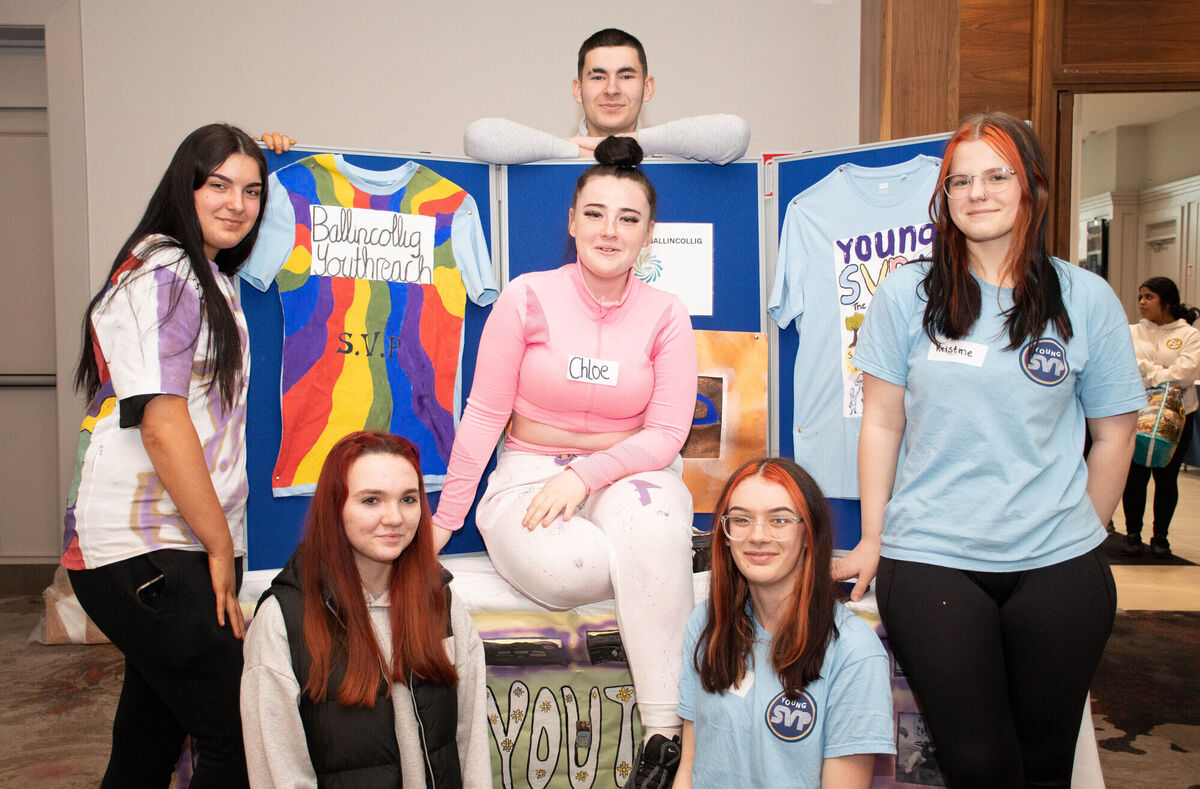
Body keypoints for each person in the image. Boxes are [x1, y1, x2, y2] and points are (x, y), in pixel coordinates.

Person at [835, 111, 1145, 788]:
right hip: (933, 559)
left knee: (1045, 766)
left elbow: (1115, 434)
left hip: (1059, 568)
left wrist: (1078, 534)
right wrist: (874, 538)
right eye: (960, 180)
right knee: (979, 764)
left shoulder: (1085, 299)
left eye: (997, 175)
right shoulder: (907, 294)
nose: (977, 193)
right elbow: (881, 423)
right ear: (944, 196)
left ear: (1032, 186)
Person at [433, 135, 698, 786]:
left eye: (629, 218)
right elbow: (484, 415)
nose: (610, 230)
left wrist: (584, 475)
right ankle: (666, 557)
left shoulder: (667, 314)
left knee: (651, 522)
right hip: (529, 473)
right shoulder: (526, 296)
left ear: (649, 234)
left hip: (630, 473)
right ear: (572, 221)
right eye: (596, 213)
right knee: (576, 568)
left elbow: (667, 433)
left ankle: (663, 735)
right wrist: (441, 523)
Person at [62, 123, 267, 787]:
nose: (237, 203)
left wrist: (280, 153)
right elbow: (161, 421)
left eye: (252, 191)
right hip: (151, 544)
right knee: (237, 734)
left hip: (176, 539)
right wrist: (218, 547)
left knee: (149, 742)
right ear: (185, 185)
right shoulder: (166, 270)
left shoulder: (207, 274)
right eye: (218, 185)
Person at [241, 431, 490, 787]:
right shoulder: (282, 622)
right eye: (371, 500)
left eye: (408, 499)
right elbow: (279, 775)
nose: (394, 517)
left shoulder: (441, 601)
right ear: (335, 507)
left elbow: (472, 749)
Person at [676, 458, 895, 789]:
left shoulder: (853, 652)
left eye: (779, 520)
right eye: (742, 520)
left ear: (809, 534)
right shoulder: (706, 625)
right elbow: (689, 766)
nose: (758, 536)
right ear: (726, 533)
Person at [463, 28, 750, 166]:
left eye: (626, 76)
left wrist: (626, 147)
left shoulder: (671, 156)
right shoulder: (550, 157)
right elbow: (479, 136)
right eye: (598, 77)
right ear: (578, 89)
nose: (611, 89)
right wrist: (578, 151)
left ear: (648, 88)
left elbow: (735, 133)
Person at [1120, 276, 1200, 558]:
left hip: (1177, 417)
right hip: (1138, 413)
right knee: (1136, 476)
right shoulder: (1131, 332)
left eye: (1149, 297)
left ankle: (1160, 537)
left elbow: (1186, 373)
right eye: (1140, 297)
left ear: (1167, 301)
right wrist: (1164, 372)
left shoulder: (1189, 335)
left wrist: (1149, 372)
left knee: (1166, 477)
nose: (1142, 303)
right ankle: (1132, 534)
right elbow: (1126, 365)